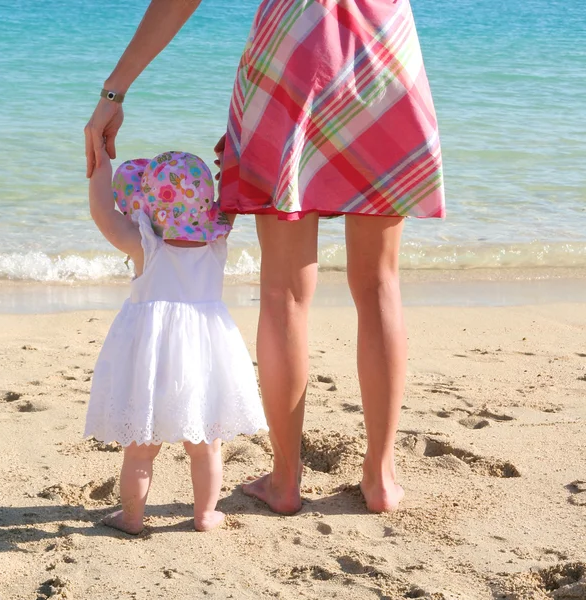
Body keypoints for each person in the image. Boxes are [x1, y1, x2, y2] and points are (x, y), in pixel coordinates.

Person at [85, 0, 445, 514]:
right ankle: (381, 478)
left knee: (284, 293)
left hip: (290, 58)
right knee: (379, 283)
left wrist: (114, 92)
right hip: (385, 52)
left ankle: (285, 480)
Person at [84, 148, 267, 533]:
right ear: (206, 205)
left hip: (150, 357)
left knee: (140, 449)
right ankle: (204, 515)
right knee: (206, 444)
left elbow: (103, 212)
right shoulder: (217, 239)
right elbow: (232, 198)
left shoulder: (145, 244)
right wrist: (233, 162)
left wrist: (101, 166)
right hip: (204, 353)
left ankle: (132, 517)